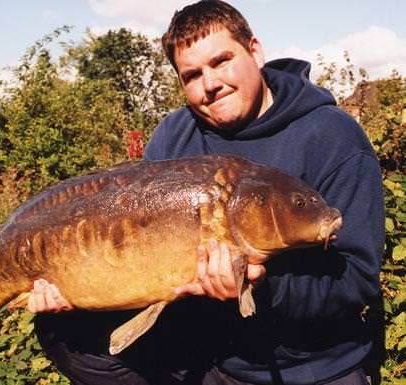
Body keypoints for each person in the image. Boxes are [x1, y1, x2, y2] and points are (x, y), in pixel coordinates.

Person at [29, 1, 385, 384]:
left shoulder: (330, 135)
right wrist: (75, 283)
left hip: (309, 363)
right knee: (64, 334)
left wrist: (261, 287)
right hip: (209, 350)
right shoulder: (174, 134)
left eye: (221, 61)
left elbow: (357, 280)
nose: (210, 84)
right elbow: (139, 250)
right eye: (192, 75)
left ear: (255, 50)